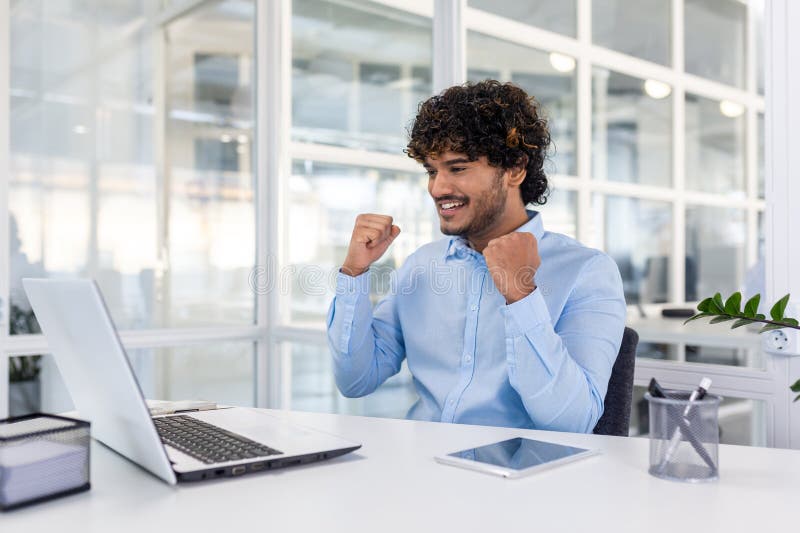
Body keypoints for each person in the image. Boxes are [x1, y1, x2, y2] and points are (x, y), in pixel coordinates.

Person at [327, 80, 626, 432]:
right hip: (421, 470)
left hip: (521, 481)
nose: (438, 188)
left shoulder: (587, 272)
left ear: (515, 169)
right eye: (431, 170)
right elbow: (356, 380)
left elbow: (573, 422)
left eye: (457, 168)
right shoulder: (422, 266)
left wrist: (521, 295)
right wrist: (354, 273)